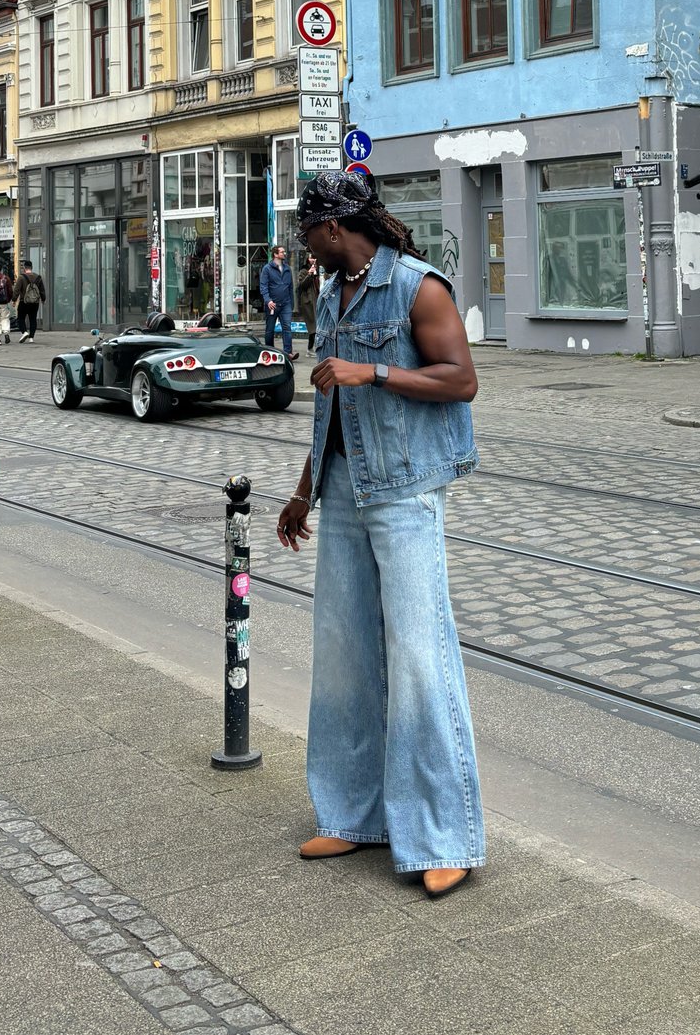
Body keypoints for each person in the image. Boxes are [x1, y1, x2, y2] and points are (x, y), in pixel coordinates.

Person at [276, 168, 484, 901]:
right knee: (346, 661)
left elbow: (461, 379)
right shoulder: (334, 291)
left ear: (336, 228)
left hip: (404, 496)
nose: (304, 246)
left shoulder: (419, 287)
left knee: (420, 662)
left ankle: (444, 835)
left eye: (308, 233)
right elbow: (330, 408)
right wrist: (304, 492)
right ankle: (354, 812)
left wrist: (375, 372)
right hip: (346, 499)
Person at [260, 244, 298, 361]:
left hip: (286, 303)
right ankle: (269, 352)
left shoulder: (287, 269)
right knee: (270, 329)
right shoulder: (267, 269)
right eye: (282, 252)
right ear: (275, 254)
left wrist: (291, 303)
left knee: (287, 327)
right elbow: (263, 286)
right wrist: (268, 300)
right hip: (273, 304)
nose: (284, 254)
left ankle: (288, 353)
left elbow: (290, 287)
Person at [13, 259, 46, 343]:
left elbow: (16, 290)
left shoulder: (21, 277)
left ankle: (24, 332)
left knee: (20, 318)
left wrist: (14, 300)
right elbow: (42, 290)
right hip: (35, 302)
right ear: (31, 267)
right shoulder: (38, 277)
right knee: (33, 319)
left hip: (24, 301)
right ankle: (31, 338)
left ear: (24, 268)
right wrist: (43, 299)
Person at [296, 251, 321, 354]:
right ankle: (310, 348)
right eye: (311, 258)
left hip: (318, 299)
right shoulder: (303, 271)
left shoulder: (319, 269)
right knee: (313, 326)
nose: (313, 260)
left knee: (317, 325)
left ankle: (313, 348)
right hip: (309, 301)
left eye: (314, 258)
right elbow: (302, 286)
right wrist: (309, 274)